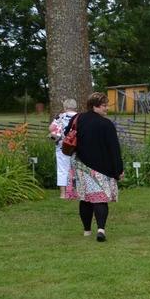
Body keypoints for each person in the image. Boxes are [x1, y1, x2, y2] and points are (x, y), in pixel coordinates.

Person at [63, 92, 123, 242]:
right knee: (100, 198)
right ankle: (101, 229)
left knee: (85, 199)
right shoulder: (106, 124)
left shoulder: (77, 118)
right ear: (95, 106)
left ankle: (87, 231)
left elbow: (67, 134)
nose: (107, 108)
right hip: (101, 168)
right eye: (104, 105)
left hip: (80, 165)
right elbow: (114, 149)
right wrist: (118, 170)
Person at [48, 98, 78, 198]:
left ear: (65, 107)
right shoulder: (80, 117)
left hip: (62, 146)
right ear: (75, 107)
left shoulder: (60, 117)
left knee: (62, 169)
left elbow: (51, 128)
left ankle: (63, 193)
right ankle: (75, 191)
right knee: (76, 168)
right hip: (76, 146)